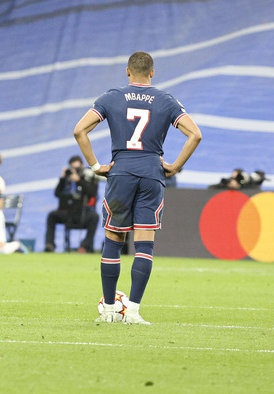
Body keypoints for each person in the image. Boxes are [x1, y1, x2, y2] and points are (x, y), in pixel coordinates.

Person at [74, 51, 202, 325]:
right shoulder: (166, 100)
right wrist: (175, 166)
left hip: (120, 171)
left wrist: (96, 167)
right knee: (144, 244)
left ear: (127, 71)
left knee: (114, 240)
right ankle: (132, 312)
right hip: (151, 173)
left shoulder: (111, 97)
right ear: (152, 73)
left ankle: (109, 311)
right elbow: (195, 134)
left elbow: (79, 130)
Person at [44, 156, 100, 253]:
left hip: (82, 213)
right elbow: (57, 193)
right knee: (51, 215)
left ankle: (85, 246)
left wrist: (79, 180)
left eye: (77, 168)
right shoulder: (66, 179)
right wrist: (62, 178)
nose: (75, 171)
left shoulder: (88, 177)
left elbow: (92, 192)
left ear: (82, 166)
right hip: (67, 213)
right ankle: (50, 245)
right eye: (73, 168)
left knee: (94, 217)